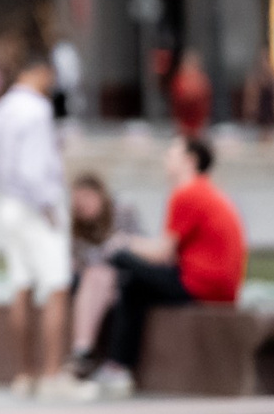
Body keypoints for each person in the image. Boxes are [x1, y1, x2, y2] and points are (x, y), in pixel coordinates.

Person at [90, 137, 246, 397]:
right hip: (216, 285)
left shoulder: (187, 192)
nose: (165, 160)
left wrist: (122, 244)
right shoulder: (206, 191)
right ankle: (118, 366)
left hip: (200, 284)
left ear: (190, 160)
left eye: (171, 154)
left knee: (125, 269)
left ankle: (117, 366)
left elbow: (163, 252)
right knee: (135, 283)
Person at [0, 57, 71, 395]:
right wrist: (47, 205)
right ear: (39, 71)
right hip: (36, 205)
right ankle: (51, 375)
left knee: (21, 285)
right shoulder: (36, 110)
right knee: (56, 286)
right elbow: (33, 169)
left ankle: (25, 373)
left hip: (9, 203)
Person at [64, 173, 144, 376]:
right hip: (91, 281)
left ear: (99, 195)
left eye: (86, 200)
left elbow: (139, 246)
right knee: (95, 275)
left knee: (100, 275)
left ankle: (83, 351)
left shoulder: (122, 211)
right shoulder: (75, 223)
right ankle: (82, 351)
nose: (82, 207)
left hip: (123, 275)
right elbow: (74, 260)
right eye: (77, 203)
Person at [167, 50, 213, 138]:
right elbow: (176, 103)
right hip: (183, 127)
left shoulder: (202, 80)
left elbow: (206, 104)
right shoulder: (179, 81)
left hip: (198, 127)